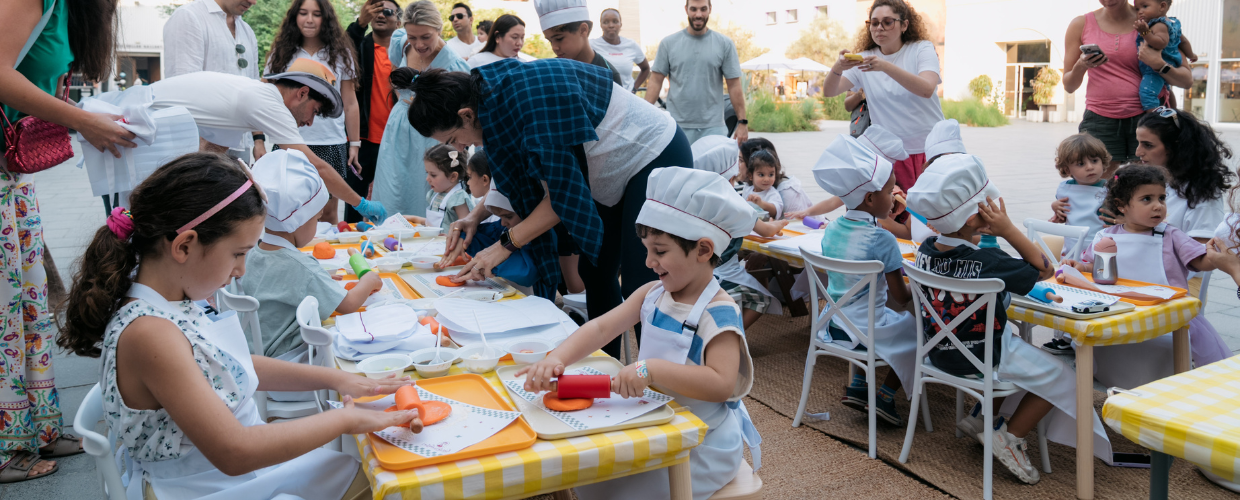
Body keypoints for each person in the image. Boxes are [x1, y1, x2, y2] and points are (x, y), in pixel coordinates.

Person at [57, 152, 418, 499]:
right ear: (185, 246)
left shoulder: (170, 299)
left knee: (362, 473)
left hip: (219, 474)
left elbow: (229, 362)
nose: (241, 270)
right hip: (202, 486)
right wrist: (344, 420)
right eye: (239, 253)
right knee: (376, 477)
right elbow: (235, 451)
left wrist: (337, 379)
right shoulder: (151, 333)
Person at [405, 60, 690, 358]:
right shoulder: (493, 99)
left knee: (642, 278)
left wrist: (505, 245)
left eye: (453, 140)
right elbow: (517, 171)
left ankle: (658, 377)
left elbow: (560, 197)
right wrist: (475, 216)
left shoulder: (529, 102)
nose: (461, 149)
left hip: (653, 153)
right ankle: (609, 365)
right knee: (593, 271)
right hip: (609, 172)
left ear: (466, 115)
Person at [519, 167, 761, 500]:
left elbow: (721, 384)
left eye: (660, 252)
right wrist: (557, 358)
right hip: (655, 420)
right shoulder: (652, 294)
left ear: (704, 250)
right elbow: (602, 326)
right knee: (591, 473)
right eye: (646, 249)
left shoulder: (719, 312)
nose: (649, 262)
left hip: (700, 444)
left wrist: (652, 370)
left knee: (621, 490)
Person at [907, 154, 1112, 484]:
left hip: (941, 353)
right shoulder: (991, 259)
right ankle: (1009, 436)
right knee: (1069, 376)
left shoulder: (925, 250)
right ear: (978, 216)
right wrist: (1008, 229)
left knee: (1022, 354)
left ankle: (980, 418)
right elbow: (1045, 269)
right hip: (985, 357)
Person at [0, 0, 129, 481]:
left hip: (11, 176)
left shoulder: (71, 9)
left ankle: (33, 428)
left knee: (27, 307)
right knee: (5, 312)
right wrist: (80, 120)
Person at [85, 59, 389, 223]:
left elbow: (212, 154)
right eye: (315, 112)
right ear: (302, 93)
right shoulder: (267, 100)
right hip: (132, 131)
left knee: (146, 217)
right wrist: (359, 202)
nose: (309, 122)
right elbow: (316, 166)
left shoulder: (244, 100)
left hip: (147, 132)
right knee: (136, 222)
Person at [1067, 164, 1229, 388]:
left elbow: (1199, 261)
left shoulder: (1171, 235)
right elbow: (1093, 266)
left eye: (1161, 198)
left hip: (1166, 317)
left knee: (1167, 363)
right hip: (1121, 314)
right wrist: (1079, 266)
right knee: (1100, 345)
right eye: (1147, 199)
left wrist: (1216, 256)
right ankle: (1120, 389)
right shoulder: (1105, 236)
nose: (1158, 206)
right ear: (1121, 206)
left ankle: (1162, 393)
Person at [240, 149, 381, 371]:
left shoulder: (253, 251)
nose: (316, 227)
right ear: (298, 221)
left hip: (254, 356)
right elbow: (349, 304)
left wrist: (319, 277)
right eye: (316, 219)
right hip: (286, 366)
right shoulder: (300, 267)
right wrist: (370, 280)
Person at [812, 133, 916, 426]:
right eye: (889, 191)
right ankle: (885, 395)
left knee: (868, 309)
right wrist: (921, 284)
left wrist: (881, 212)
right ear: (870, 198)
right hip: (864, 331)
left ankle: (859, 385)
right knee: (919, 330)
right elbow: (901, 297)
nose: (895, 194)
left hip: (832, 325)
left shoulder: (832, 230)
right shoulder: (882, 239)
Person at [822, 0, 944, 191]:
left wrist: (884, 66)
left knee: (930, 217)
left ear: (904, 25)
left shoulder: (922, 49)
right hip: (889, 154)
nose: (879, 28)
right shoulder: (864, 59)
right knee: (895, 217)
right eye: (874, 22)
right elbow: (829, 91)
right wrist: (838, 67)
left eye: (888, 22)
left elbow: (927, 89)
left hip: (930, 150)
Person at [1062, 0, 1195, 168]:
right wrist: (1081, 65)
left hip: (1148, 117)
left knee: (1149, 184)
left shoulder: (1152, 19)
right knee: (1100, 186)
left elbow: (1186, 80)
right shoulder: (1081, 24)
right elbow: (1069, 86)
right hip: (1100, 118)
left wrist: (1160, 65)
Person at [266, 0, 362, 225]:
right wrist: (258, 139)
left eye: (316, 14)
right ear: (294, 17)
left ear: (325, 19)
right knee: (288, 210)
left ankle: (324, 257)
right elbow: (266, 97)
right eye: (303, 13)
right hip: (287, 140)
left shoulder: (341, 53)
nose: (309, 19)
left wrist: (355, 144)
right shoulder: (280, 52)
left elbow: (350, 102)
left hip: (330, 141)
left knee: (327, 214)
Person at [372, 1, 470, 220]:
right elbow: (396, 75)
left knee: (424, 190)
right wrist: (404, 98)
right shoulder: (400, 43)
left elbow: (459, 116)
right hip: (398, 128)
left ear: (439, 29)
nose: (418, 44)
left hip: (430, 135)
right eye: (412, 37)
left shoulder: (454, 65)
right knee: (392, 187)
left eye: (426, 37)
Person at [163, 0, 262, 164]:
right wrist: (203, 150)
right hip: (201, 148)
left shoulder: (247, 31)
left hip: (240, 144)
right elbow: (182, 90)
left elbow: (254, 89)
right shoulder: (189, 16)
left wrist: (258, 139)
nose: (253, 2)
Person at [646, 0, 747, 145]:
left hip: (713, 127)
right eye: (693, 9)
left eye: (703, 9)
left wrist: (742, 122)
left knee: (712, 169)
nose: (698, 14)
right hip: (676, 126)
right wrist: (644, 118)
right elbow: (655, 81)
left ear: (710, 9)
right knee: (678, 168)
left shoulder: (724, 43)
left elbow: (734, 85)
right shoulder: (668, 43)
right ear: (686, 9)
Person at [1133, 108, 1233, 241]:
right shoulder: (1151, 179)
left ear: (1174, 146)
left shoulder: (1201, 191)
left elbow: (1201, 251)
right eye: (1138, 143)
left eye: (1148, 145)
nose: (1138, 152)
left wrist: (1134, 227)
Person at [346, 0, 400, 223]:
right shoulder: (359, 47)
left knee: (393, 199)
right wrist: (360, 22)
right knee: (355, 200)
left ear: (398, 19)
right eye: (375, 10)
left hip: (396, 139)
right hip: (363, 139)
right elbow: (342, 46)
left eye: (387, 11)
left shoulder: (406, 49)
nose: (380, 15)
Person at [459, 186, 538, 288]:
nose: (503, 222)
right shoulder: (502, 228)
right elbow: (480, 237)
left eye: (508, 216)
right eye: (500, 217)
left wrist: (489, 265)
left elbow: (527, 273)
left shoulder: (540, 239)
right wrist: (462, 236)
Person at [535, 0, 622, 86]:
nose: (554, 47)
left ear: (583, 30)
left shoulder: (608, 76)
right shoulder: (553, 71)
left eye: (559, 39)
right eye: (550, 41)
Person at [1048, 133, 1110, 252]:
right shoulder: (1065, 189)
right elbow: (1063, 212)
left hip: (1101, 245)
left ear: (1102, 161)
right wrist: (1055, 207)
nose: (1090, 167)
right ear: (1067, 169)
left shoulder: (1110, 189)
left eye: (1094, 161)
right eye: (1081, 164)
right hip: (1073, 245)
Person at [1133, 0, 1194, 111]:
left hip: (1153, 69)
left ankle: (1154, 118)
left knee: (1147, 94)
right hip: (1171, 64)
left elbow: (1161, 43)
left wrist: (1145, 32)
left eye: (1145, 7)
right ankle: (1171, 112)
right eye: (1137, 9)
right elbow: (1183, 41)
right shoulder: (1173, 22)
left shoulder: (1159, 25)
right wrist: (1191, 54)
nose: (1140, 12)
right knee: (1166, 90)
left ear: (1162, 6)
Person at [590, 8, 650, 93]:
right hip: (602, 98)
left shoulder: (631, 44)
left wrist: (634, 89)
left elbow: (646, 68)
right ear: (601, 25)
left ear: (620, 24)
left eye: (615, 21)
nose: (611, 25)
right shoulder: (591, 45)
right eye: (606, 22)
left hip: (626, 99)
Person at [423, 144, 475, 232]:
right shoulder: (434, 194)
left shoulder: (458, 198)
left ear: (453, 176)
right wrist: (413, 218)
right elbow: (433, 224)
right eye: (427, 173)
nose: (427, 178)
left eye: (433, 175)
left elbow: (465, 227)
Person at [742, 150, 784, 220]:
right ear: (750, 176)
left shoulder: (772, 193)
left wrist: (761, 203)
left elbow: (775, 211)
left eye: (771, 174)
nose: (766, 179)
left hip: (766, 226)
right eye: (761, 175)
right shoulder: (747, 189)